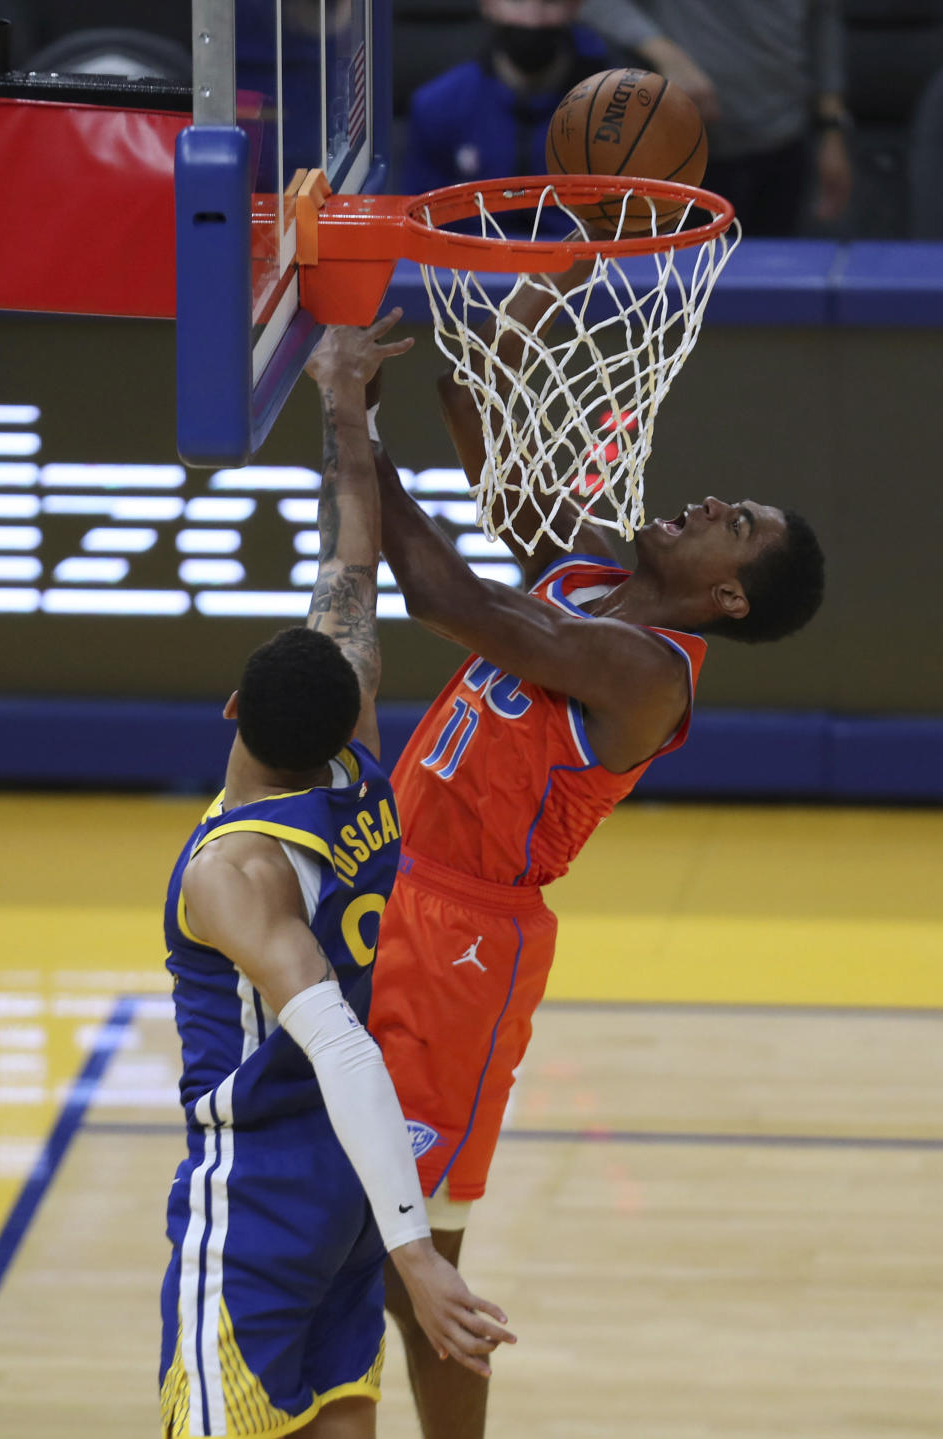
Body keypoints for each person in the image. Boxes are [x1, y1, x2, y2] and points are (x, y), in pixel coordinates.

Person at [365, 272, 825, 1439]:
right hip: (392, 880)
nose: (715, 500)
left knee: (422, 1253)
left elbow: (438, 590)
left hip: (468, 938)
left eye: (739, 522)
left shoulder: (648, 672)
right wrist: (521, 320)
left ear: (724, 592)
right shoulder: (592, 570)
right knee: (353, 1216)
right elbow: (493, 440)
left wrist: (349, 431)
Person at [158, 312, 516, 1439]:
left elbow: (346, 1045)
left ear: (230, 711)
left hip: (261, 1208)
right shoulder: (360, 761)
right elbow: (351, 557)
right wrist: (342, 400)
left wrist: (421, 1258)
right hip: (356, 1195)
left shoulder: (238, 869)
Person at [581, 0, 853, 235]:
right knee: (680, 281)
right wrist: (665, 53)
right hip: (682, 149)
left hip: (786, 136)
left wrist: (831, 130)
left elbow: (823, 24)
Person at [401, 0, 608, 215]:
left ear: (576, 5)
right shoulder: (437, 105)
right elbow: (419, 222)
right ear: (487, 4)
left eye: (550, 2)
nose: (532, 19)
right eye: (516, 1)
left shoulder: (615, 109)